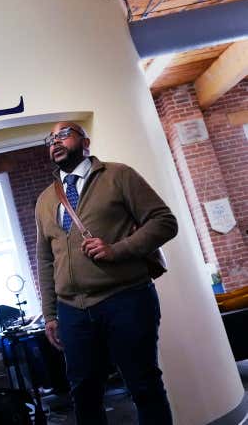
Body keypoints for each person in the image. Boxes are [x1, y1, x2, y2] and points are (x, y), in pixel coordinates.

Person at [35, 121, 178, 425]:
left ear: (84, 141)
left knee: (143, 385)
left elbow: (164, 221)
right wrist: (50, 314)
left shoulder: (118, 175)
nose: (55, 142)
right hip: (72, 310)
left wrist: (117, 249)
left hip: (125, 299)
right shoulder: (46, 199)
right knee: (83, 394)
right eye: (50, 139)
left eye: (63, 134)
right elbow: (44, 259)